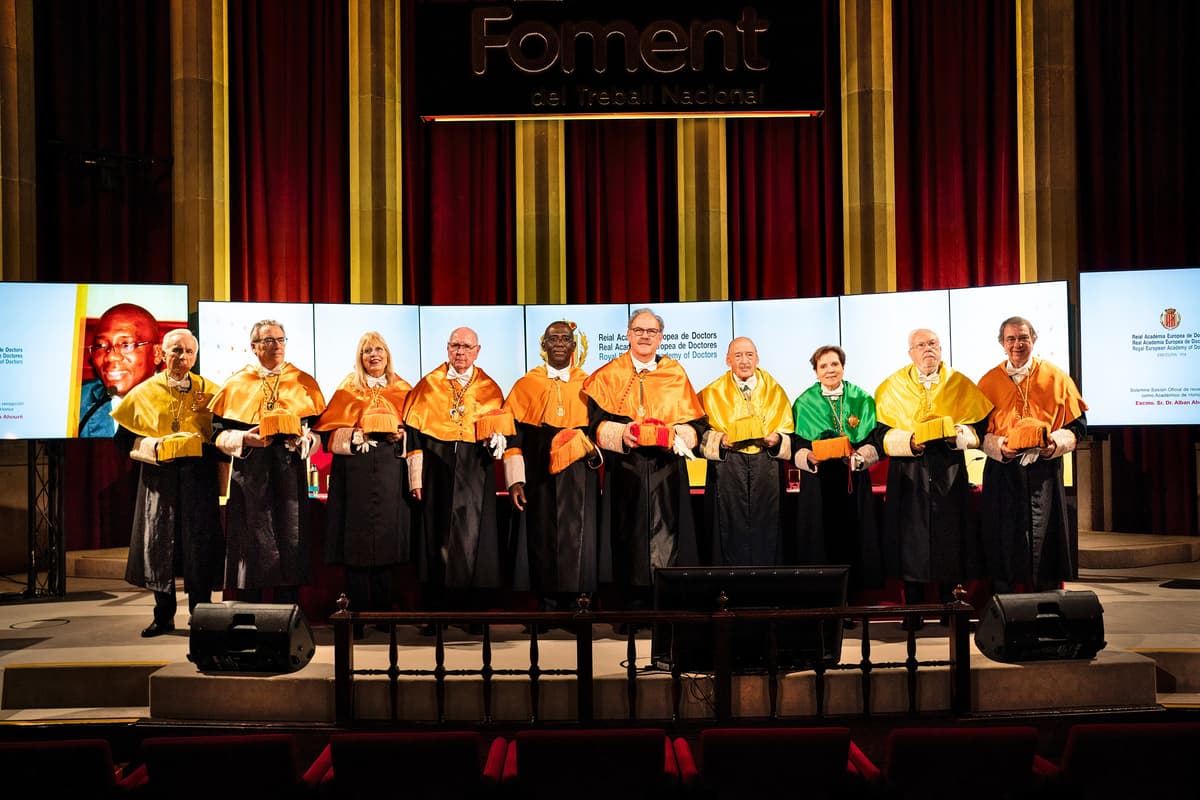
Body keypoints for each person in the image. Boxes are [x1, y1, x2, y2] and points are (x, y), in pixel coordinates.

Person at [582, 308, 705, 608]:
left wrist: (676, 436)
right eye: (639, 330)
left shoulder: (675, 374)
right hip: (626, 468)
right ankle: (629, 608)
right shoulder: (610, 374)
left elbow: (697, 424)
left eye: (651, 332)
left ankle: (665, 603)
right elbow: (595, 424)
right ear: (628, 334)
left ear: (661, 337)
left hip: (667, 468)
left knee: (668, 534)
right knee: (627, 535)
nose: (645, 336)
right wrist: (622, 435)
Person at [873, 328, 993, 622]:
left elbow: (981, 428)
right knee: (910, 540)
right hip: (908, 473)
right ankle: (913, 610)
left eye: (933, 344)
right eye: (920, 345)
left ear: (941, 349)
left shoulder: (959, 383)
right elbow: (879, 433)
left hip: (948, 470)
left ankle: (948, 608)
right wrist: (909, 442)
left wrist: (958, 436)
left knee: (950, 538)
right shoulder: (892, 386)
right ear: (910, 353)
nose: (928, 349)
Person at [111, 328, 223, 636]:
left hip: (199, 480)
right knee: (160, 547)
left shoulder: (210, 391)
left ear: (195, 356)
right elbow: (123, 441)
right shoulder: (145, 391)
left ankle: (202, 615)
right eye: (176, 351)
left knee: (199, 545)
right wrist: (154, 447)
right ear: (162, 354)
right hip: (160, 479)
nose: (182, 357)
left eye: (188, 352)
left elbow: (221, 433)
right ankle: (163, 616)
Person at [210, 320, 325, 605]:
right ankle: (250, 613)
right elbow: (217, 433)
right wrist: (243, 439)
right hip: (250, 474)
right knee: (251, 543)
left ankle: (289, 612)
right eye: (269, 341)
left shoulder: (303, 382)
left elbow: (321, 429)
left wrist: (305, 442)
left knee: (291, 539)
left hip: (289, 472)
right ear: (254, 347)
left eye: (281, 340)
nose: (276, 346)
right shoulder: (237, 383)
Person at [314, 332, 414, 633]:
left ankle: (383, 615)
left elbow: (417, 430)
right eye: (367, 350)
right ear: (360, 357)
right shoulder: (348, 388)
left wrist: (401, 437)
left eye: (379, 349)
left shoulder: (403, 389)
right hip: (354, 473)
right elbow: (327, 435)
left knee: (386, 541)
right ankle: (354, 616)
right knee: (355, 545)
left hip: (389, 473)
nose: (374, 355)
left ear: (387, 354)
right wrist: (354, 436)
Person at [978, 316, 1087, 592]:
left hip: (1044, 470)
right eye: (1011, 339)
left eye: (1023, 338)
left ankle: (1047, 599)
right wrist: (999, 448)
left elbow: (1078, 427)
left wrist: (1052, 447)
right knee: (1004, 534)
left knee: (1045, 534)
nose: (1017, 344)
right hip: (1003, 470)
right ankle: (1004, 600)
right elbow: (977, 432)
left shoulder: (1056, 376)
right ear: (1002, 343)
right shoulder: (988, 381)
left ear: (1034, 340)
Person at [403, 327, 506, 613]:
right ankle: (436, 611)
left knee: (474, 539)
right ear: (447, 349)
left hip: (475, 470)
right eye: (455, 346)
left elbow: (497, 427)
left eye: (466, 347)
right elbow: (414, 437)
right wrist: (415, 478)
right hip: (437, 470)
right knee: (435, 538)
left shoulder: (490, 388)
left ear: (477, 351)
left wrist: (497, 440)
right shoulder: (428, 385)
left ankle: (472, 611)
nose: (460, 352)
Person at [503, 320, 603, 612]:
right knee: (541, 536)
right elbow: (513, 435)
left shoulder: (589, 385)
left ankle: (579, 604)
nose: (559, 342)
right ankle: (546, 606)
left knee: (580, 539)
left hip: (579, 475)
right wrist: (515, 480)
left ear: (574, 346)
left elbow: (600, 429)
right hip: (538, 474)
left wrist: (589, 449)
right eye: (553, 338)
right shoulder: (526, 385)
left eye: (565, 338)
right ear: (543, 346)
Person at [791, 345, 883, 592]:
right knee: (820, 541)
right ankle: (823, 598)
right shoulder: (804, 402)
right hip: (818, 480)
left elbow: (873, 439)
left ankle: (851, 599)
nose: (830, 370)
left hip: (852, 477)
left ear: (843, 367)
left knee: (852, 539)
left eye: (835, 364)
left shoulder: (861, 399)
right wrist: (809, 456)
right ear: (816, 372)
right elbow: (797, 443)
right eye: (823, 366)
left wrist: (861, 456)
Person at [696, 336, 793, 565]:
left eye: (749, 355)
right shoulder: (711, 393)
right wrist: (720, 440)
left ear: (757, 358)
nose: (744, 361)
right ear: (727, 360)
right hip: (728, 467)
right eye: (738, 355)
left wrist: (777, 439)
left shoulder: (775, 390)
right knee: (728, 527)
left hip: (766, 466)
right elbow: (696, 434)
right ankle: (728, 589)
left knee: (768, 527)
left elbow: (790, 432)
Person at [79, 303, 163, 437]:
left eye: (126, 345)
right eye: (101, 345)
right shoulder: (74, 402)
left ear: (157, 354)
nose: (110, 356)